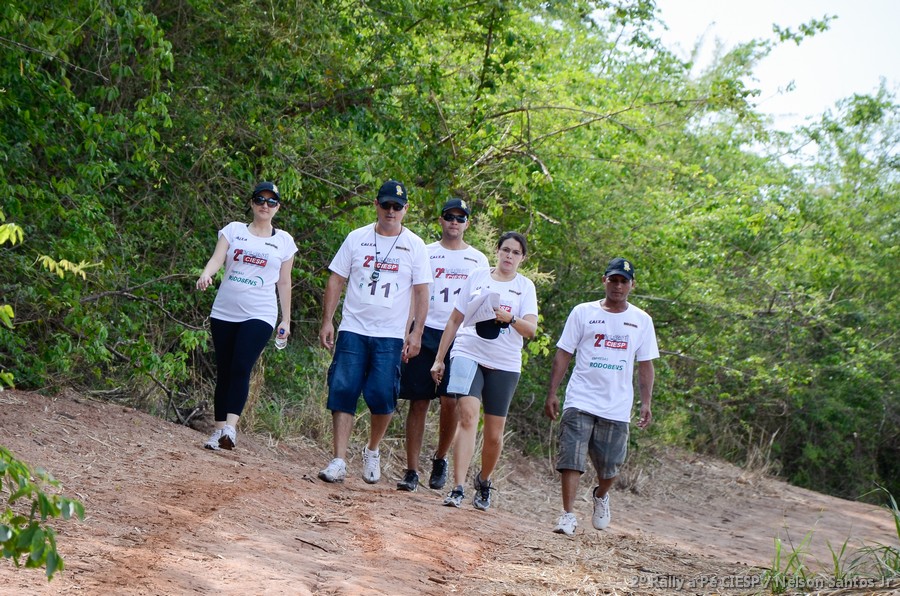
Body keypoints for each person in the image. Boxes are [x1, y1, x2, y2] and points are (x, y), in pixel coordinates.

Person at [318, 180, 432, 484]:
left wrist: (416, 333)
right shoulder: (357, 238)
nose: (391, 211)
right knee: (343, 389)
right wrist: (328, 320)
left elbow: (422, 291)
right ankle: (339, 459)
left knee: (383, 395)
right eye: (386, 205)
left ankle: (372, 449)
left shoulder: (415, 245)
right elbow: (336, 279)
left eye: (397, 206)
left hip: (390, 334)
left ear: (406, 209)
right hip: (353, 327)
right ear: (376, 205)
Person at [544, 257, 659, 536]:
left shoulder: (641, 321)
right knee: (571, 457)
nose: (618, 286)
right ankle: (568, 515)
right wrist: (552, 392)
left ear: (632, 285)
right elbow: (564, 353)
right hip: (580, 398)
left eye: (623, 281)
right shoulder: (583, 312)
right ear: (604, 280)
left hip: (616, 405)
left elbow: (646, 364)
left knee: (610, 469)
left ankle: (601, 494)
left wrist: (646, 402)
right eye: (613, 280)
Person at [430, 231, 538, 510]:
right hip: (468, 351)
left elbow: (531, 330)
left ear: (522, 258)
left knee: (494, 434)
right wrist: (439, 359)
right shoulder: (477, 277)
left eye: (516, 252)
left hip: (504, 362)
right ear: (497, 251)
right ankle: (458, 487)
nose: (509, 256)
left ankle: (484, 480)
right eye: (506, 250)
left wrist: (510, 318)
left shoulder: (525, 287)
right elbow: (455, 319)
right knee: (467, 415)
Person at [396, 198, 489, 492]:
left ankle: (440, 457)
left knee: (451, 401)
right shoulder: (426, 252)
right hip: (427, 330)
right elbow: (414, 293)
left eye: (460, 218)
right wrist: (410, 330)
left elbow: (482, 301)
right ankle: (412, 470)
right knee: (419, 401)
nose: (454, 222)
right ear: (441, 220)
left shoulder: (478, 259)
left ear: (467, 224)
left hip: (460, 337)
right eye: (449, 216)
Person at [196, 181, 297, 451]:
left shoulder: (284, 241)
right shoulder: (233, 230)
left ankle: (231, 427)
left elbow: (284, 282)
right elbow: (217, 259)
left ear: (277, 207)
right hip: (225, 310)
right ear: (252, 203)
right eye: (260, 200)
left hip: (260, 313)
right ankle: (218, 431)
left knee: (241, 365)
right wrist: (206, 274)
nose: (265, 205)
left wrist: (286, 319)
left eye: (271, 201)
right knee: (225, 369)